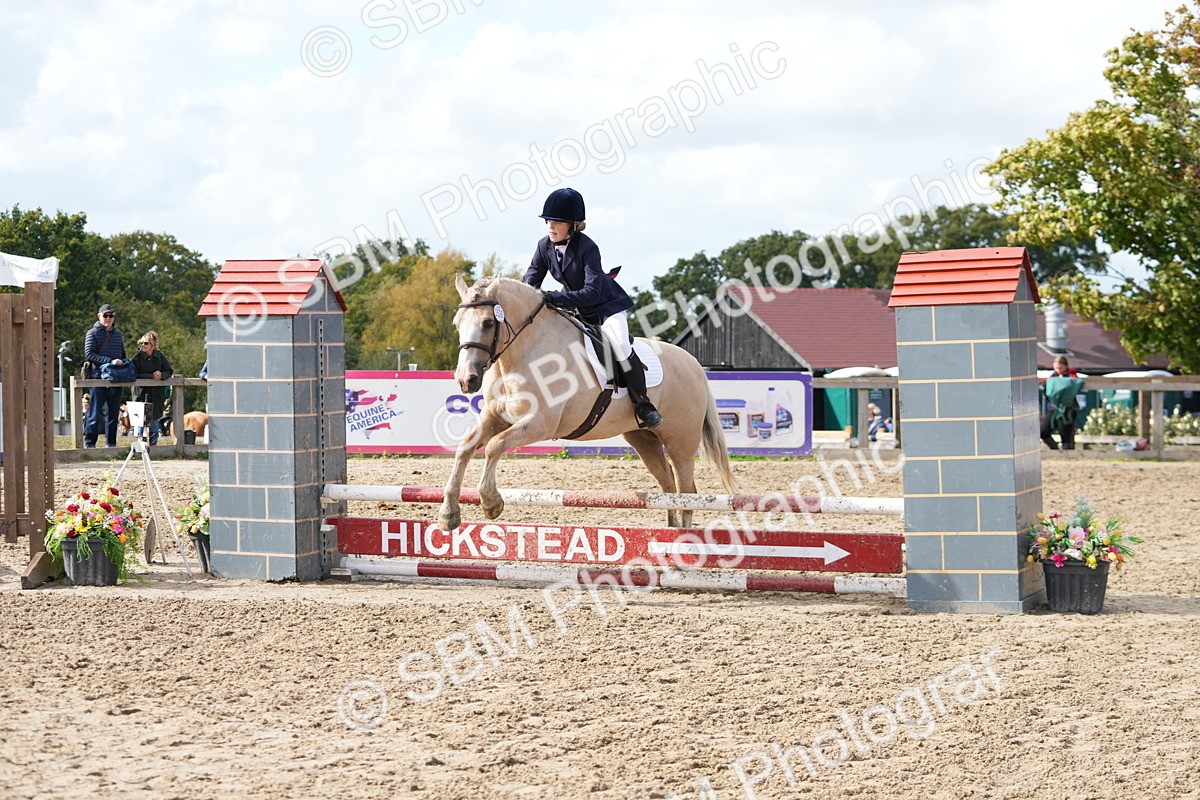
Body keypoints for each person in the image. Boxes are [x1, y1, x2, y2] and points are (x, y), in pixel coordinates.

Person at [522, 188, 662, 428]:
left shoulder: (588, 248)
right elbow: (529, 282)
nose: (550, 226)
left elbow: (591, 293)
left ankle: (643, 403)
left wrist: (554, 298)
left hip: (605, 307)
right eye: (548, 220)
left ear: (574, 225)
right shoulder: (544, 246)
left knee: (619, 344)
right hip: (577, 308)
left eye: (557, 221)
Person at [83, 303, 127, 448]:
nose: (108, 318)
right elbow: (89, 355)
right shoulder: (92, 333)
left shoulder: (118, 334)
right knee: (94, 415)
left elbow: (122, 354)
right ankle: (90, 445)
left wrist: (123, 364)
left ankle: (111, 445)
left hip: (115, 378)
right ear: (99, 317)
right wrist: (110, 361)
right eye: (105, 315)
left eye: (111, 316)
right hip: (98, 378)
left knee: (113, 415)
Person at [131, 331, 174, 445]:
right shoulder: (137, 357)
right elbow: (132, 373)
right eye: (141, 343)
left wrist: (162, 375)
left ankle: (153, 447)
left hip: (156, 395)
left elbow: (169, 370)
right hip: (141, 393)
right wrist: (151, 376)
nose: (143, 345)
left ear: (153, 345)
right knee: (140, 422)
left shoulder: (160, 356)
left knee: (154, 421)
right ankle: (141, 447)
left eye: (146, 343)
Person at [1041, 355, 1084, 450]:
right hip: (1054, 408)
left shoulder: (1072, 375)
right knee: (1043, 432)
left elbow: (1075, 383)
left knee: (1066, 437)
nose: (1058, 370)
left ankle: (1068, 458)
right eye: (1056, 368)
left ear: (1066, 366)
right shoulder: (1052, 376)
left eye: (1060, 368)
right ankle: (1055, 449)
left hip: (1068, 409)